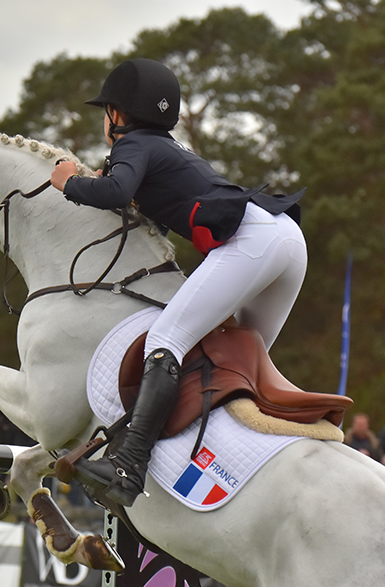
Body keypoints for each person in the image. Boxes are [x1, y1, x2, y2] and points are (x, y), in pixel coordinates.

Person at [50, 58, 307, 507]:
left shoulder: (133, 144)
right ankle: (236, 466)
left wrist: (69, 183)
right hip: (286, 237)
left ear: (118, 115)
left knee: (166, 339)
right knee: (236, 361)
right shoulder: (173, 149)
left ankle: (128, 467)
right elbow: (153, 221)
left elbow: (114, 191)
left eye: (106, 111)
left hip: (255, 240)